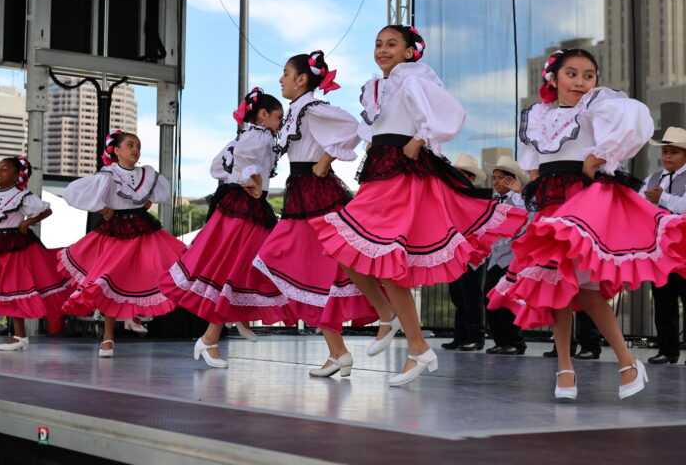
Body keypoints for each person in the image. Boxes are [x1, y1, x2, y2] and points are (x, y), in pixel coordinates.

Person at [310, 26, 528, 386]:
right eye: (378, 43)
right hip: (379, 175)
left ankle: (416, 345)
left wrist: (420, 136)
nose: (382, 49)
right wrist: (350, 151)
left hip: (402, 176)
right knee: (346, 249)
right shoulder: (376, 87)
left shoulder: (412, 77)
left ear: (411, 52)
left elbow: (450, 112)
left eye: (391, 44)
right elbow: (370, 127)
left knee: (383, 258)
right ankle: (392, 320)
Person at [486, 47, 686, 400]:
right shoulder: (536, 115)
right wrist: (537, 192)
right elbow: (532, 162)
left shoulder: (596, 107)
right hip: (550, 202)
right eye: (572, 73)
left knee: (586, 290)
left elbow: (633, 120)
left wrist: (597, 157)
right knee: (557, 285)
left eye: (588, 75)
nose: (580, 81)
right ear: (553, 77)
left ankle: (625, 360)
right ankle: (565, 367)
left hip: (582, 200)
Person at [254, 51, 380, 378]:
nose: (280, 79)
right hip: (300, 191)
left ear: (301, 79)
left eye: (285, 73)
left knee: (289, 258)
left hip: (315, 191)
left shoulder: (311, 109)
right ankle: (338, 352)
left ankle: (390, 316)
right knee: (316, 269)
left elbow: (353, 126)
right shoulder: (297, 112)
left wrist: (327, 160)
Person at [159, 88, 295, 368]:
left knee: (244, 266)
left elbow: (218, 165)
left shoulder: (253, 136)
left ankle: (233, 320)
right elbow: (243, 160)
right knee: (235, 267)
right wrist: (251, 180)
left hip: (245, 206)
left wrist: (243, 177)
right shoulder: (257, 136)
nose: (280, 122)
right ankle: (210, 339)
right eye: (278, 116)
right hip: (245, 208)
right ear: (263, 115)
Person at [60, 131, 187, 357]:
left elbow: (149, 201)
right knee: (111, 279)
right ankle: (108, 337)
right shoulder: (108, 174)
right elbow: (73, 192)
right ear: (116, 150)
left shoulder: (146, 174)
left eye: (137, 146)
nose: (135, 149)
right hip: (117, 231)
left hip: (143, 229)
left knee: (148, 272)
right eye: (130, 145)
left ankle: (133, 316)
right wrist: (104, 209)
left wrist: (141, 204)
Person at [0, 156, 72, 351]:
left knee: (14, 289)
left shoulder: (21, 195)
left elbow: (46, 211)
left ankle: (19, 337)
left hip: (17, 244)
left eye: (5, 169)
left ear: (17, 175)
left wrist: (26, 222)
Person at [641, 126, 686, 365]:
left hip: (685, 251)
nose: (667, 156)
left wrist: (662, 199)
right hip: (661, 250)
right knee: (663, 302)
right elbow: (640, 205)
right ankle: (667, 350)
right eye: (665, 151)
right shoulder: (653, 178)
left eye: (674, 152)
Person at [482, 155, 528, 355]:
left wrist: (519, 193)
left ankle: (515, 342)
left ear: (512, 179)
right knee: (489, 298)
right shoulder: (493, 202)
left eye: (501, 177)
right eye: (495, 178)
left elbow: (529, 219)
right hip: (495, 257)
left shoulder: (520, 199)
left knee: (508, 299)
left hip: (512, 257)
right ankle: (500, 340)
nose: (497, 182)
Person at [442, 153, 488, 352]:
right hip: (455, 252)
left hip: (473, 253)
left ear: (469, 177)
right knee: (458, 296)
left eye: (460, 174)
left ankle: (476, 336)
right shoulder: (453, 196)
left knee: (471, 296)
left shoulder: (478, 197)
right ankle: (460, 336)